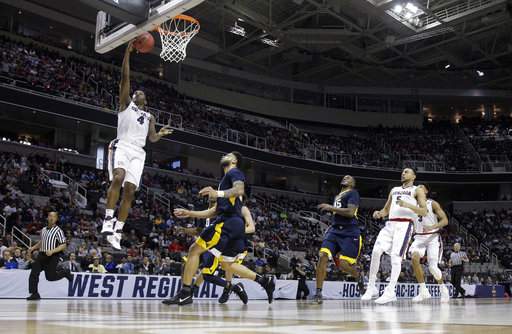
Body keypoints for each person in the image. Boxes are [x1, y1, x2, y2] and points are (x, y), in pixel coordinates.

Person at [163, 152, 274, 305]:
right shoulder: (224, 182)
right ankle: (264, 280)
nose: (224, 155)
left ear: (234, 160)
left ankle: (186, 292)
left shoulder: (234, 172)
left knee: (194, 250)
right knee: (227, 265)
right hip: (232, 224)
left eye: (228, 155)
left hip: (227, 223)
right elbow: (213, 211)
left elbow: (239, 189)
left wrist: (218, 192)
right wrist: (190, 213)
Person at [101, 41, 173, 250]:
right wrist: (127, 53)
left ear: (145, 99)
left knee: (131, 190)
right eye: (136, 92)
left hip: (138, 152)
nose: (138, 92)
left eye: (141, 92)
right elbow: (125, 78)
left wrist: (159, 133)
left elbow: (151, 139)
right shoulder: (126, 105)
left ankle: (117, 231)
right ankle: (107, 219)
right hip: (122, 145)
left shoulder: (150, 116)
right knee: (119, 178)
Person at [361, 168, 427, 304]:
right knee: (375, 251)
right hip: (390, 224)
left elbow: (424, 211)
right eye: (402, 171)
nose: (403, 173)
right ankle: (371, 287)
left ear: (414, 176)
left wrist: (407, 205)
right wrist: (379, 213)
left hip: (405, 225)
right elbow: (386, 210)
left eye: (407, 172)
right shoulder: (394, 189)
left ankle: (390, 291)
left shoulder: (417, 190)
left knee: (395, 258)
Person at [313, 175, 364, 304]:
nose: (346, 177)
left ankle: (358, 276)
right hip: (335, 230)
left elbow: (350, 213)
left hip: (350, 231)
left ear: (353, 183)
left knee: (342, 264)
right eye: (345, 177)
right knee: (322, 256)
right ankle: (318, 292)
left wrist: (331, 208)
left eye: (350, 177)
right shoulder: (338, 195)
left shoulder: (353, 193)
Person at [409, 184, 450, 302]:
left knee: (432, 268)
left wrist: (433, 226)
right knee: (414, 258)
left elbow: (445, 220)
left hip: (433, 237)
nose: (418, 189)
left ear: (426, 191)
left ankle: (443, 289)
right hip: (419, 238)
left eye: (421, 187)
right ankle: (423, 291)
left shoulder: (432, 203)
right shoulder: (412, 206)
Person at [26, 211, 73, 300]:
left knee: (50, 277)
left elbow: (63, 245)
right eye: (50, 216)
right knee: (34, 273)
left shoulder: (58, 230)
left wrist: (52, 251)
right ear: (47, 217)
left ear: (56, 219)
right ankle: (34, 293)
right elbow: (42, 242)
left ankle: (65, 272)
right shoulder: (43, 229)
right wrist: (33, 248)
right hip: (41, 255)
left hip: (52, 256)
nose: (51, 218)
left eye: (54, 216)